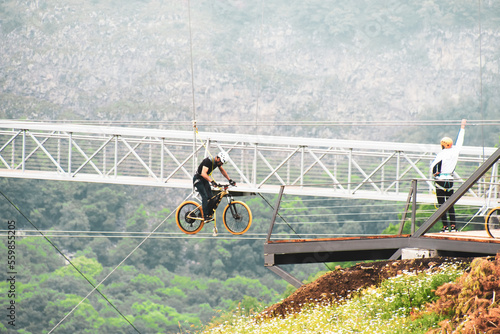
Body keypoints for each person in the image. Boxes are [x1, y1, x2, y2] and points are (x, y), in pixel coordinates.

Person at [430, 119, 467, 233]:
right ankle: (453, 227)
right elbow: (460, 141)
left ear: (443, 145)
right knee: (450, 204)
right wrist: (462, 127)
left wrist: (434, 173)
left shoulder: (441, 154)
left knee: (442, 205)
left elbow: (433, 167)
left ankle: (445, 227)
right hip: (450, 180)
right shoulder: (455, 151)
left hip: (440, 180)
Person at [193, 151, 236, 222]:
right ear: (218, 158)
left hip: (204, 180)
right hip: (198, 179)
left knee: (211, 197)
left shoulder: (217, 163)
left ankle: (206, 212)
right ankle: (206, 216)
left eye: (222, 163)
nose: (221, 164)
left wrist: (229, 180)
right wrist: (212, 181)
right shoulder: (208, 161)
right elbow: (203, 173)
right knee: (205, 197)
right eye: (221, 162)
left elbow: (222, 171)